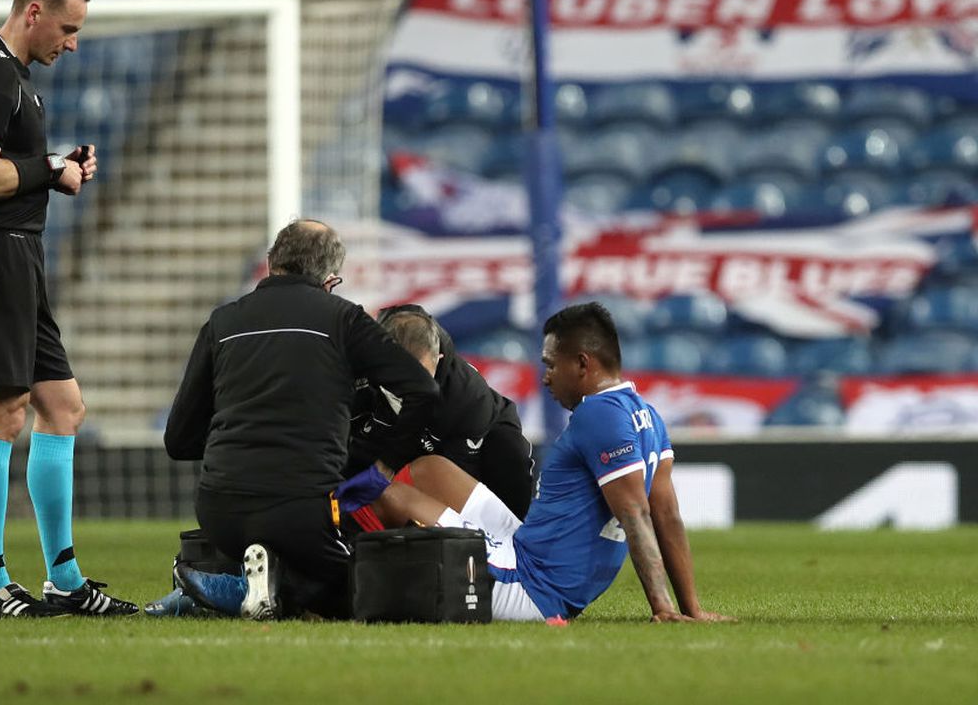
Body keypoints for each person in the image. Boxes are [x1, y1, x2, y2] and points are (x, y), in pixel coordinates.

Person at [0, 0, 136, 618]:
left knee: (64, 406)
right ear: (34, 12)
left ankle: (64, 578)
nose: (72, 42)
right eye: (69, 27)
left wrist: (54, 170)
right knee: (2, 411)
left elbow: (12, 169)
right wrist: (49, 168)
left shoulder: (14, 76)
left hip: (20, 254)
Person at [370, 302, 734, 623]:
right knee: (430, 468)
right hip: (528, 550)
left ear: (581, 364)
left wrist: (663, 608)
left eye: (550, 364)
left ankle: (352, 580)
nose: (545, 377)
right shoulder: (646, 415)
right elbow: (667, 516)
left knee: (392, 498)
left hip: (531, 587)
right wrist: (692, 608)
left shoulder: (600, 415)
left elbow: (637, 514)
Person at [162, 219, 440, 620]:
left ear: (273, 261)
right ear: (330, 278)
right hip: (302, 509)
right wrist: (383, 465)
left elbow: (178, 440)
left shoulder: (222, 323)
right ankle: (258, 585)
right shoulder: (343, 320)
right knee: (367, 597)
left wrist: (238, 444)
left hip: (220, 511)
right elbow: (424, 391)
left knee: (301, 575)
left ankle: (233, 585)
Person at [346, 305, 534, 524]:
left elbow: (456, 482)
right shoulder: (357, 367)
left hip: (477, 444)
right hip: (397, 434)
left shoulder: (467, 396)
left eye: (420, 377)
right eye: (398, 376)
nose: (410, 387)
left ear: (439, 358)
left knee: (508, 462)